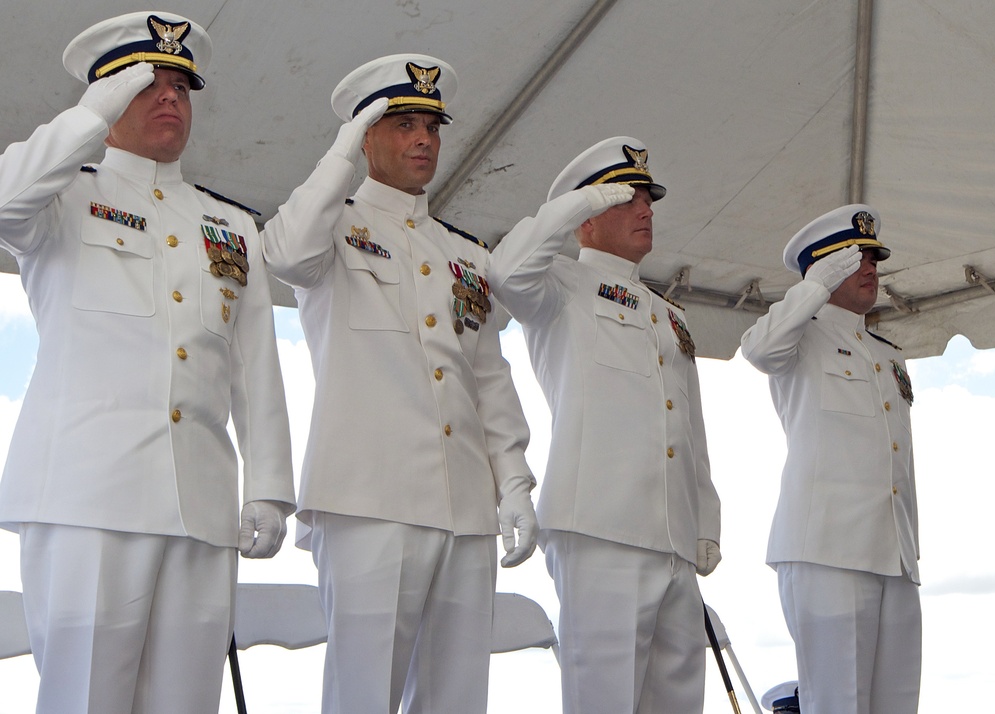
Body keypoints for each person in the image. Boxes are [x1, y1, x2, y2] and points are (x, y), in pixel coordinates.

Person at [0, 12, 295, 713]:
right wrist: (87, 116)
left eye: (180, 86)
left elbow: (254, 364)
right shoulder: (65, 195)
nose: (169, 97)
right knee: (85, 699)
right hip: (87, 499)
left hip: (198, 504)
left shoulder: (230, 226)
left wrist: (271, 487)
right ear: (105, 95)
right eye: (146, 83)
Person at [261, 54, 539, 713]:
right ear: (366, 135)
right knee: (364, 694)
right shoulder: (333, 224)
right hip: (368, 501)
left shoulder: (465, 255)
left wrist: (517, 484)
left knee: (457, 698)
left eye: (432, 127)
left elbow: (488, 379)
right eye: (402, 124)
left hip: (466, 507)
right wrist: (338, 157)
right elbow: (284, 253)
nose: (423, 139)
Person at [488, 136, 722, 713]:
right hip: (599, 528)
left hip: (672, 533)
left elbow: (690, 430)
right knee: (603, 700)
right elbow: (505, 271)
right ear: (586, 217)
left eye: (647, 199)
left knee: (676, 703)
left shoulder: (668, 314)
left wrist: (705, 517)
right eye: (626, 199)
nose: (645, 210)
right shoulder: (559, 285)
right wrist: (576, 203)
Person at [741, 204, 920, 713]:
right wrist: (814, 288)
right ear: (823, 266)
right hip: (827, 553)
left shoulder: (887, 353)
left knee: (897, 704)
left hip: (895, 552)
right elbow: (758, 349)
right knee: (836, 703)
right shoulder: (798, 335)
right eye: (855, 259)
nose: (870, 268)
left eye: (873, 259)